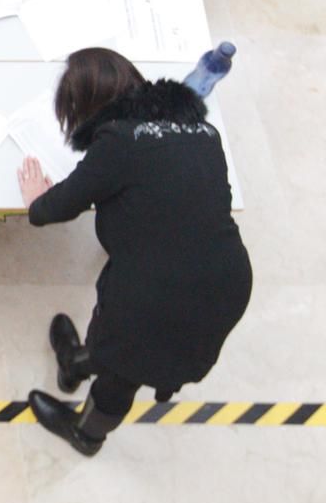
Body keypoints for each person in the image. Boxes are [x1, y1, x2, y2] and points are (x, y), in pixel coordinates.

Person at [17, 48, 251, 456]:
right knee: (127, 345)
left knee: (122, 375)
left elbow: (55, 208)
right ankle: (76, 363)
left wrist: (37, 200)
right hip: (228, 280)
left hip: (158, 295)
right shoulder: (204, 133)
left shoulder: (117, 141)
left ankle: (86, 434)